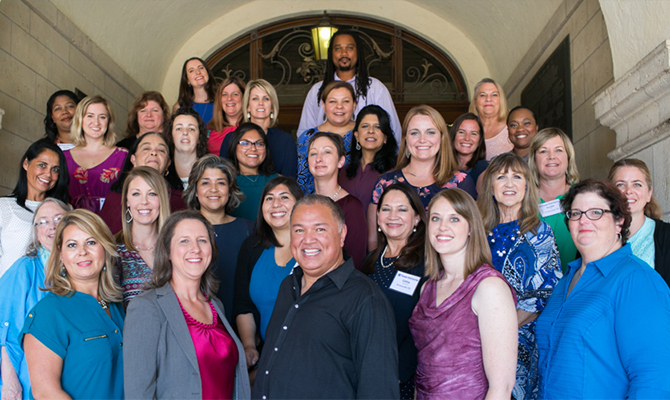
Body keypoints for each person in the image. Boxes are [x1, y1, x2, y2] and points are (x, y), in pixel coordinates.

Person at [252, 195, 399, 399]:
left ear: (342, 234)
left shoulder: (366, 299)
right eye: (299, 230)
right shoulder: (288, 285)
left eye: (320, 229)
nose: (308, 239)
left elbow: (379, 390)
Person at [536, 180, 670, 399]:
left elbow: (656, 380)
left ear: (619, 221)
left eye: (596, 212)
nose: (584, 220)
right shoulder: (566, 279)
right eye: (576, 213)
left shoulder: (636, 280)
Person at [123, 211, 251, 399]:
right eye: (184, 241)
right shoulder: (146, 307)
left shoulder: (216, 306)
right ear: (167, 251)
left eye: (202, 240)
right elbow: (138, 393)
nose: (195, 249)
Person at [409, 188, 518, 399]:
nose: (442, 227)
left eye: (454, 219)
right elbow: (424, 369)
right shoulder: (427, 288)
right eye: (436, 218)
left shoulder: (489, 287)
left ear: (471, 227)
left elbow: (501, 387)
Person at [478, 153, 562, 400]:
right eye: (501, 177)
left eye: (517, 176)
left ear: (527, 186)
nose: (509, 183)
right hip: (476, 338)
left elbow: (544, 295)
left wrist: (498, 333)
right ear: (491, 187)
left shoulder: (539, 232)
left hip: (522, 342)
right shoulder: (477, 233)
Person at [21, 209, 124, 400]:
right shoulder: (48, 314)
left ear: (105, 247)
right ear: (60, 254)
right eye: (72, 245)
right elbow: (46, 393)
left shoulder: (116, 306)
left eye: (91, 242)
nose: (82, 252)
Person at [368, 105, 475, 250]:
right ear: (406, 139)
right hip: (395, 268)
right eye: (414, 133)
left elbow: (472, 236)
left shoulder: (461, 182)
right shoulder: (385, 183)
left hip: (445, 269)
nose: (422, 140)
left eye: (430, 132)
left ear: (442, 138)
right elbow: (374, 242)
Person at [0, 198, 71, 400]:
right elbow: (4, 329)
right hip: (27, 380)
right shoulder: (24, 269)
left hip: (70, 377)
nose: (52, 226)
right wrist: (10, 382)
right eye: (43, 221)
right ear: (36, 232)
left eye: (59, 218)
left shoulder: (82, 271)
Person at [233, 177, 303, 375]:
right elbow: (243, 305)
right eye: (269, 198)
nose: (276, 204)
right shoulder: (251, 247)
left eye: (284, 197)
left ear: (299, 203)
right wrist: (249, 346)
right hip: (267, 356)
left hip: (307, 357)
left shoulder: (312, 247)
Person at [362, 183, 426, 399]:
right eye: (386, 209)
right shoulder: (369, 262)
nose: (393, 216)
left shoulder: (426, 264)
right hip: (365, 370)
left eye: (402, 209)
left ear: (416, 218)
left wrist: (396, 373)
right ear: (378, 217)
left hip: (402, 376)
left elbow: (426, 326)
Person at [183, 155, 253, 325]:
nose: (213, 189)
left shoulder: (248, 229)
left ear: (230, 190)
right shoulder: (181, 230)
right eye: (205, 182)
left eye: (221, 182)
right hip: (195, 328)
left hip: (244, 326)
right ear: (195, 190)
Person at [297, 29, 402, 143]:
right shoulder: (317, 90)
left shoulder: (376, 88)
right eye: (338, 48)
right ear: (331, 53)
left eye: (349, 48)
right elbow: (305, 135)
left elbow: (394, 133)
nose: (343, 53)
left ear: (358, 52)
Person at [0, 139, 68, 277]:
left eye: (55, 169)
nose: (48, 174)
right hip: (10, 292)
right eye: (42, 165)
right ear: (26, 163)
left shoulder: (65, 211)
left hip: (50, 292)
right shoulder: (4, 207)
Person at [99, 132, 186, 234]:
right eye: (146, 149)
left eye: (161, 150)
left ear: (168, 163)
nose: (154, 153)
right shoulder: (114, 199)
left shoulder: (180, 201)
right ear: (133, 159)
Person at [309, 132, 367, 269]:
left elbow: (355, 261)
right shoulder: (303, 205)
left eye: (326, 152)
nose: (318, 158)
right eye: (313, 153)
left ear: (341, 161)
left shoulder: (352, 207)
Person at [608, 158, 670, 285]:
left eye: (637, 184)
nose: (628, 191)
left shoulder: (667, 236)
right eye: (620, 184)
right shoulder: (593, 235)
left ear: (649, 194)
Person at [115, 167, 171, 306]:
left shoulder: (176, 247)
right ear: (127, 201)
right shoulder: (113, 250)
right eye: (136, 194)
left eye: (152, 194)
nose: (144, 201)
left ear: (161, 199)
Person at [219, 79, 297, 178]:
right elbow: (223, 178)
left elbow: (290, 183)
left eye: (266, 99)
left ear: (272, 107)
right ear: (247, 106)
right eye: (255, 98)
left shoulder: (286, 141)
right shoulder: (230, 138)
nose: (261, 103)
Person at [64, 95, 128, 214]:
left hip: (112, 222)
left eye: (102, 117)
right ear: (80, 119)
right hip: (74, 222)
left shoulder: (122, 156)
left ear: (109, 122)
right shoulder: (63, 157)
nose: (96, 122)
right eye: (90, 116)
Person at [529, 127, 580, 271]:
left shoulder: (583, 196)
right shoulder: (522, 199)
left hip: (575, 285)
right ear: (534, 159)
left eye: (558, 150)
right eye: (543, 151)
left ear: (568, 156)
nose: (551, 156)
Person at [297, 81, 357, 194]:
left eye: (346, 101)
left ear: (354, 104)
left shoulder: (364, 134)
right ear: (323, 105)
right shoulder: (307, 137)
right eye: (332, 101)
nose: (339, 106)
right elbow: (302, 181)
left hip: (355, 201)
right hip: (316, 203)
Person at [339, 104, 397, 207]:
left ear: (385, 137)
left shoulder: (394, 172)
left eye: (377, 127)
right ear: (356, 136)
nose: (371, 131)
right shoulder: (344, 172)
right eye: (365, 126)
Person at [226, 123, 279, 221]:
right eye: (245, 143)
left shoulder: (278, 181)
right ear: (234, 146)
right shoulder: (224, 182)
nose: (253, 149)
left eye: (259, 143)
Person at [165, 107, 209, 190]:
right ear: (171, 136)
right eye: (179, 128)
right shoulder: (162, 169)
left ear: (199, 137)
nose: (185, 132)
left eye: (191, 129)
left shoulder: (211, 169)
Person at [469, 78, 512, 160]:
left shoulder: (512, 127)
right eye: (482, 95)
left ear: (501, 100)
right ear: (475, 101)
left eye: (494, 95)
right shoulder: (468, 130)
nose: (488, 99)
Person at [449, 112, 488, 198]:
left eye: (473, 133)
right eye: (462, 132)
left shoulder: (484, 168)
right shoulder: (441, 165)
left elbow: (482, 206)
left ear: (479, 141)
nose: (467, 138)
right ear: (453, 136)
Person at [173, 57, 217, 125]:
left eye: (201, 68)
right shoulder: (179, 107)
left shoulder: (222, 101)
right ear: (187, 80)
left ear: (208, 72)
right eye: (191, 71)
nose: (198, 72)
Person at [208, 77, 246, 154]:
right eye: (224, 94)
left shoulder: (252, 128)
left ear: (244, 98)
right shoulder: (210, 130)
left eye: (235, 94)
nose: (229, 98)